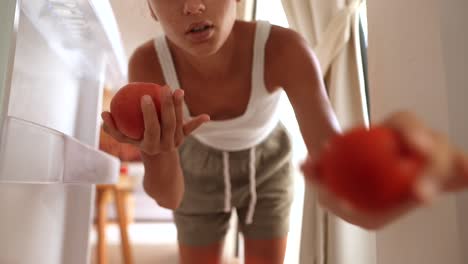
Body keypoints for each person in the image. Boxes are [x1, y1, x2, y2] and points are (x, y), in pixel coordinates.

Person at [100, 1, 468, 263]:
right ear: (150, 6)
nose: (193, 6)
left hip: (269, 164)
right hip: (193, 164)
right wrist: (159, 150)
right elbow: (167, 196)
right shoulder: (148, 64)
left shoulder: (284, 49)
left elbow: (337, 171)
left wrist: (372, 182)